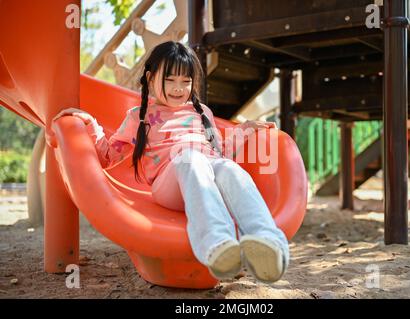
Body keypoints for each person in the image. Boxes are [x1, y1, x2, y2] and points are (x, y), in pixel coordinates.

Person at [53, 41, 289, 283]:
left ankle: (269, 243)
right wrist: (90, 124)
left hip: (205, 175)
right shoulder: (139, 116)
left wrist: (244, 131)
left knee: (229, 168)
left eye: (185, 82)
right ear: (151, 77)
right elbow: (108, 157)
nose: (178, 88)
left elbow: (220, 153)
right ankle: (217, 244)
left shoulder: (201, 112)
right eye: (170, 80)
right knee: (191, 158)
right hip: (170, 183)